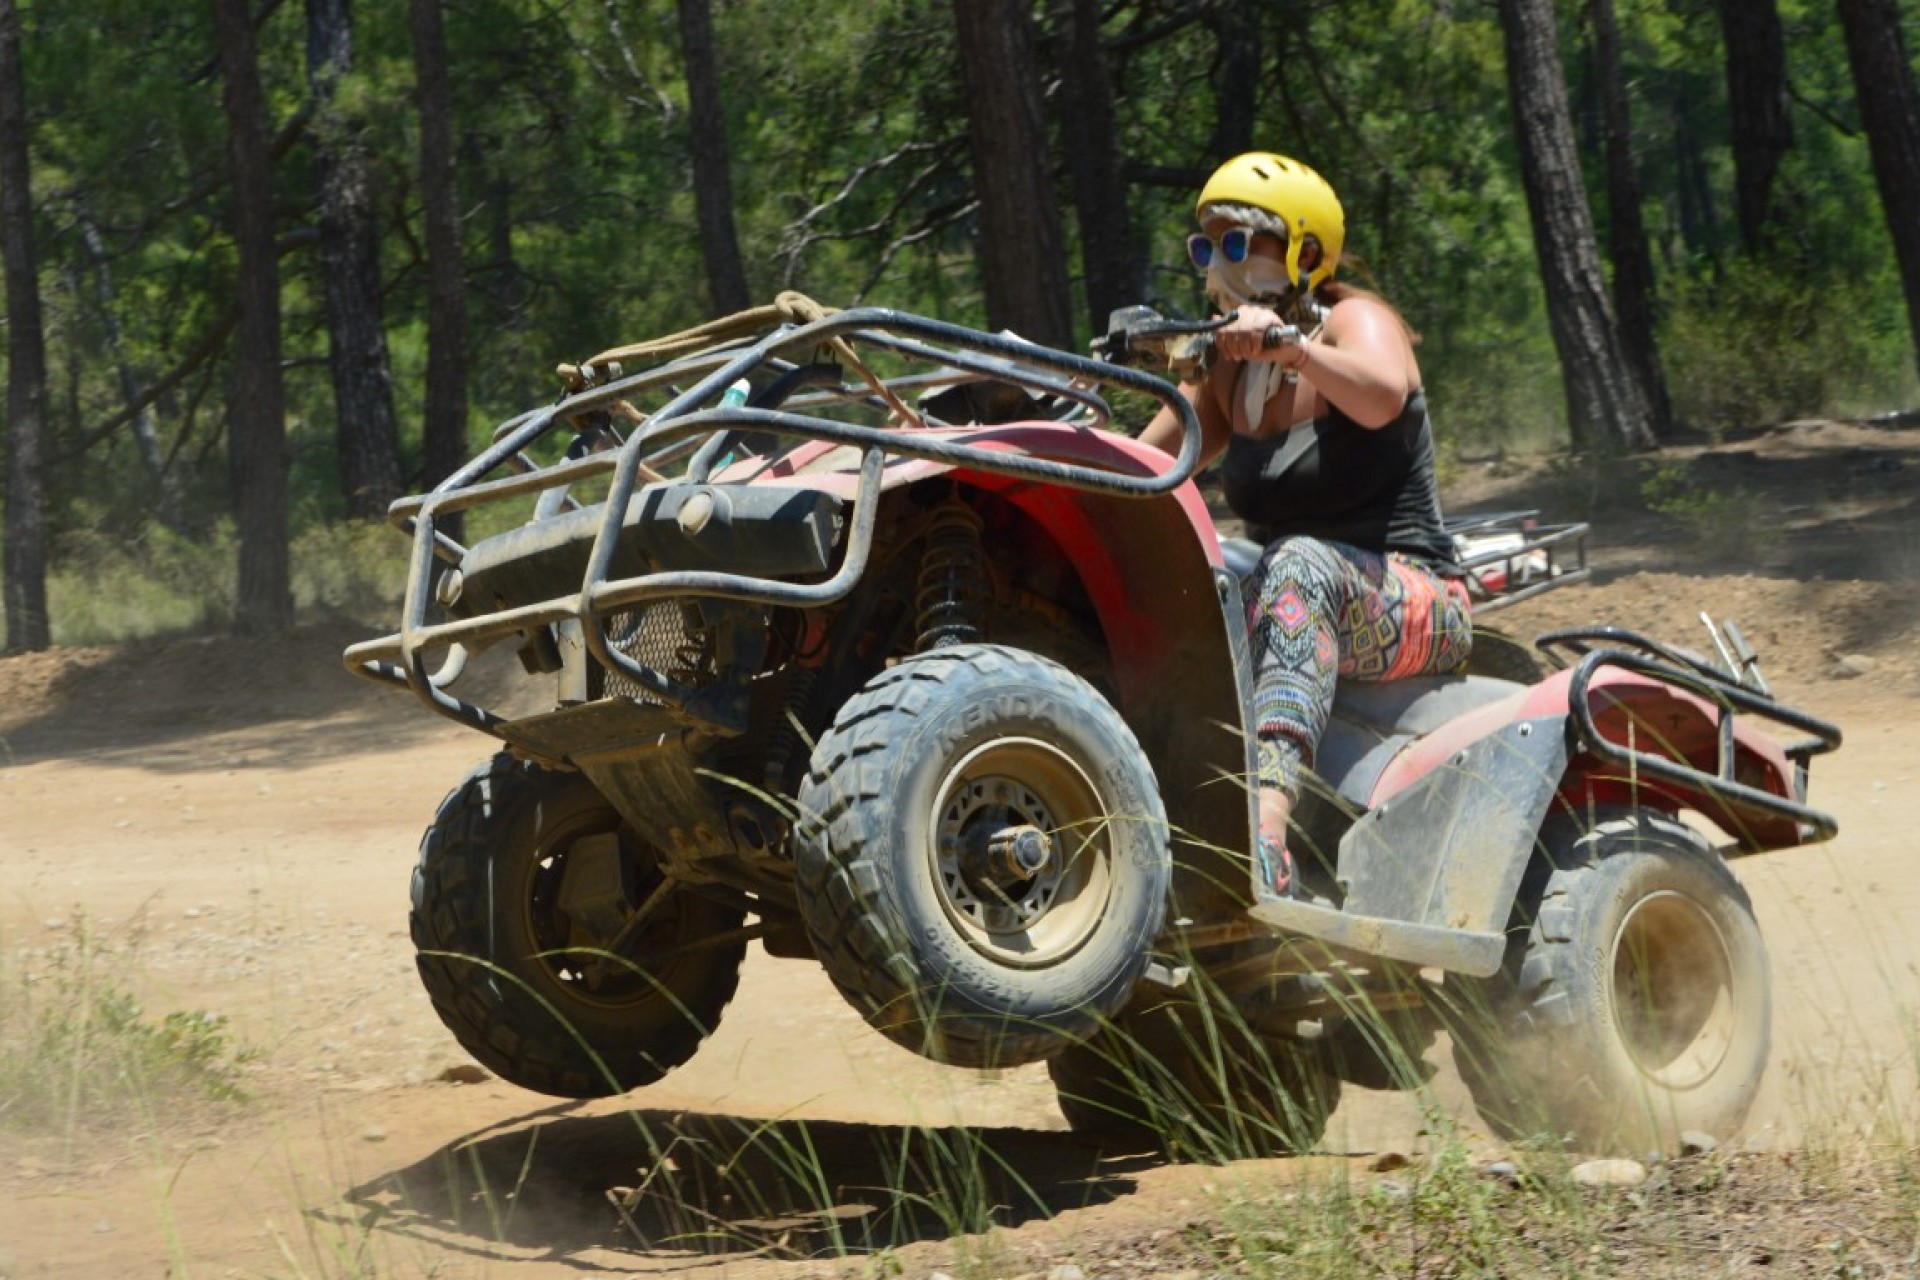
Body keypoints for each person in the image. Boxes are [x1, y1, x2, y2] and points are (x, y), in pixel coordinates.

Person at [1139, 151, 1472, 903]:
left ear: (1304, 251)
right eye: (1204, 246)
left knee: (1296, 564)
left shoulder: (1360, 322)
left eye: (1234, 244)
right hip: (1309, 585)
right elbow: (1147, 459)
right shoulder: (1229, 369)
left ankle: (1264, 834)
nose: (1215, 264)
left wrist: (1293, 348)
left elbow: (1384, 395)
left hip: (1420, 597)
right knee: (1200, 568)